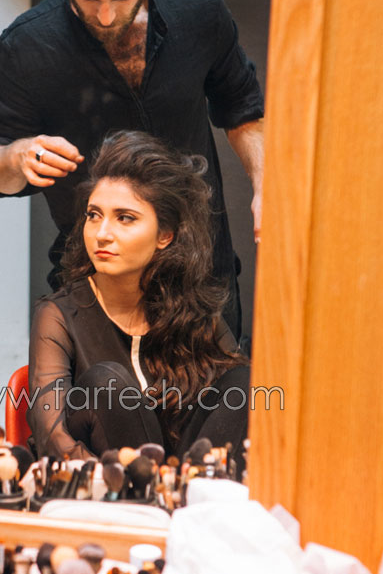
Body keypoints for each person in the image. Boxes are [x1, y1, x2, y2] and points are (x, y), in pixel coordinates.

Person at [0, 0, 264, 339]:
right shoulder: (28, 46)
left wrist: (266, 183)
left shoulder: (199, 11)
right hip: (95, 282)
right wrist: (16, 157)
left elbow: (244, 109)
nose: (104, 17)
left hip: (202, 271)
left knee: (221, 385)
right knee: (100, 388)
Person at [27, 131, 250, 475]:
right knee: (106, 383)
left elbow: (232, 413)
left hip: (183, 481)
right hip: (106, 485)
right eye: (94, 215)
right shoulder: (57, 315)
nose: (102, 233)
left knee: (244, 381)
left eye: (125, 218)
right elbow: (52, 438)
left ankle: (192, 496)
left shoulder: (193, 309)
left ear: (165, 235)